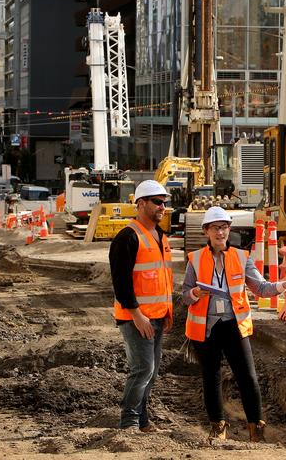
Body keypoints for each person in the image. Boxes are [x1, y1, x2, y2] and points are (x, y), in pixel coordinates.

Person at [182, 206, 286, 442]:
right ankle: (218, 427)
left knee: (247, 376)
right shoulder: (195, 260)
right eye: (216, 228)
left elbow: (261, 287)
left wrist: (282, 286)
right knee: (211, 377)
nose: (221, 232)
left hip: (233, 326)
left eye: (224, 227)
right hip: (206, 328)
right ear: (206, 231)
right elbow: (185, 295)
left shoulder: (241, 257)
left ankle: (256, 428)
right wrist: (195, 293)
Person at [109, 179, 173, 432]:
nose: (162, 207)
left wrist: (168, 312)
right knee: (142, 369)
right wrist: (137, 315)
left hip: (157, 316)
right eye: (157, 202)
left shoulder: (161, 237)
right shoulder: (127, 237)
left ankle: (143, 421)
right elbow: (121, 282)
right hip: (136, 317)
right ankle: (130, 422)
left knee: (152, 371)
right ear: (141, 203)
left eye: (164, 202)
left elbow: (163, 279)